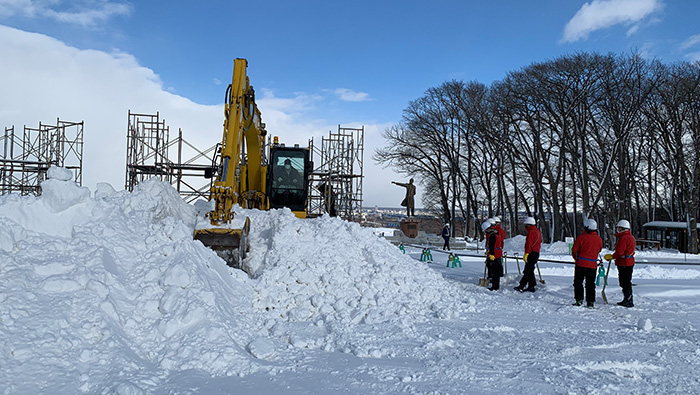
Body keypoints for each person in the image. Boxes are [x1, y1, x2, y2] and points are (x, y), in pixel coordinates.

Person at [571, 219, 603, 308]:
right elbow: (599, 249)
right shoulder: (599, 239)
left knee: (578, 282)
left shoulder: (581, 237)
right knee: (590, 284)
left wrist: (576, 259)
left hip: (581, 264)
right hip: (592, 265)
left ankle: (579, 300)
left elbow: (574, 250)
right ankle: (590, 302)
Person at [604, 219, 635, 308]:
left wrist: (612, 256)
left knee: (624, 282)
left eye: (619, 228)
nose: (618, 230)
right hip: (628, 262)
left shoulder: (624, 238)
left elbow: (620, 252)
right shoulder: (630, 237)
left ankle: (628, 300)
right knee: (626, 281)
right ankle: (627, 299)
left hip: (624, 263)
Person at [515, 217, 541, 293]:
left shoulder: (531, 232)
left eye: (526, 225)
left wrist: (526, 253)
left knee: (528, 270)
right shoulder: (537, 231)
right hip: (536, 252)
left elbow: (528, 243)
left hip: (531, 253)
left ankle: (531, 286)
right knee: (528, 270)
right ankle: (523, 285)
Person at [482, 220, 503, 291]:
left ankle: (495, 286)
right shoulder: (496, 233)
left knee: (495, 271)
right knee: (495, 270)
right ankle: (495, 285)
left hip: (495, 255)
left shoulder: (492, 236)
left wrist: (491, 254)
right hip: (497, 253)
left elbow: (492, 246)